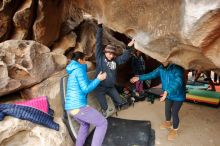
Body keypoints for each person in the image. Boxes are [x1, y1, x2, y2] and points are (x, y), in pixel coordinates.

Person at [130, 61, 185, 140]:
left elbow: (178, 81)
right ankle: (168, 123)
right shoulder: (161, 68)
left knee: (174, 112)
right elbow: (151, 74)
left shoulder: (176, 68)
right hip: (168, 94)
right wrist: (139, 78)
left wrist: (167, 91)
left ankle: (174, 130)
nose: (162, 60)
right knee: (167, 109)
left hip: (178, 95)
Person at [65, 51, 107, 146]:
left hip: (70, 108)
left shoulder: (75, 70)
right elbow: (86, 89)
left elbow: (87, 82)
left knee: (85, 125)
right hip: (77, 107)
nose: (85, 62)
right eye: (84, 60)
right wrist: (98, 79)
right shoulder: (79, 70)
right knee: (102, 123)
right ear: (80, 60)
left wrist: (98, 79)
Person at [94, 18, 134, 116]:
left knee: (120, 102)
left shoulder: (115, 61)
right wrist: (99, 27)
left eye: (112, 54)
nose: (110, 56)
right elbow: (98, 43)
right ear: (105, 52)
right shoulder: (100, 57)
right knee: (105, 107)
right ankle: (103, 112)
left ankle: (118, 105)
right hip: (100, 88)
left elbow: (124, 58)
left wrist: (128, 48)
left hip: (111, 87)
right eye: (109, 53)